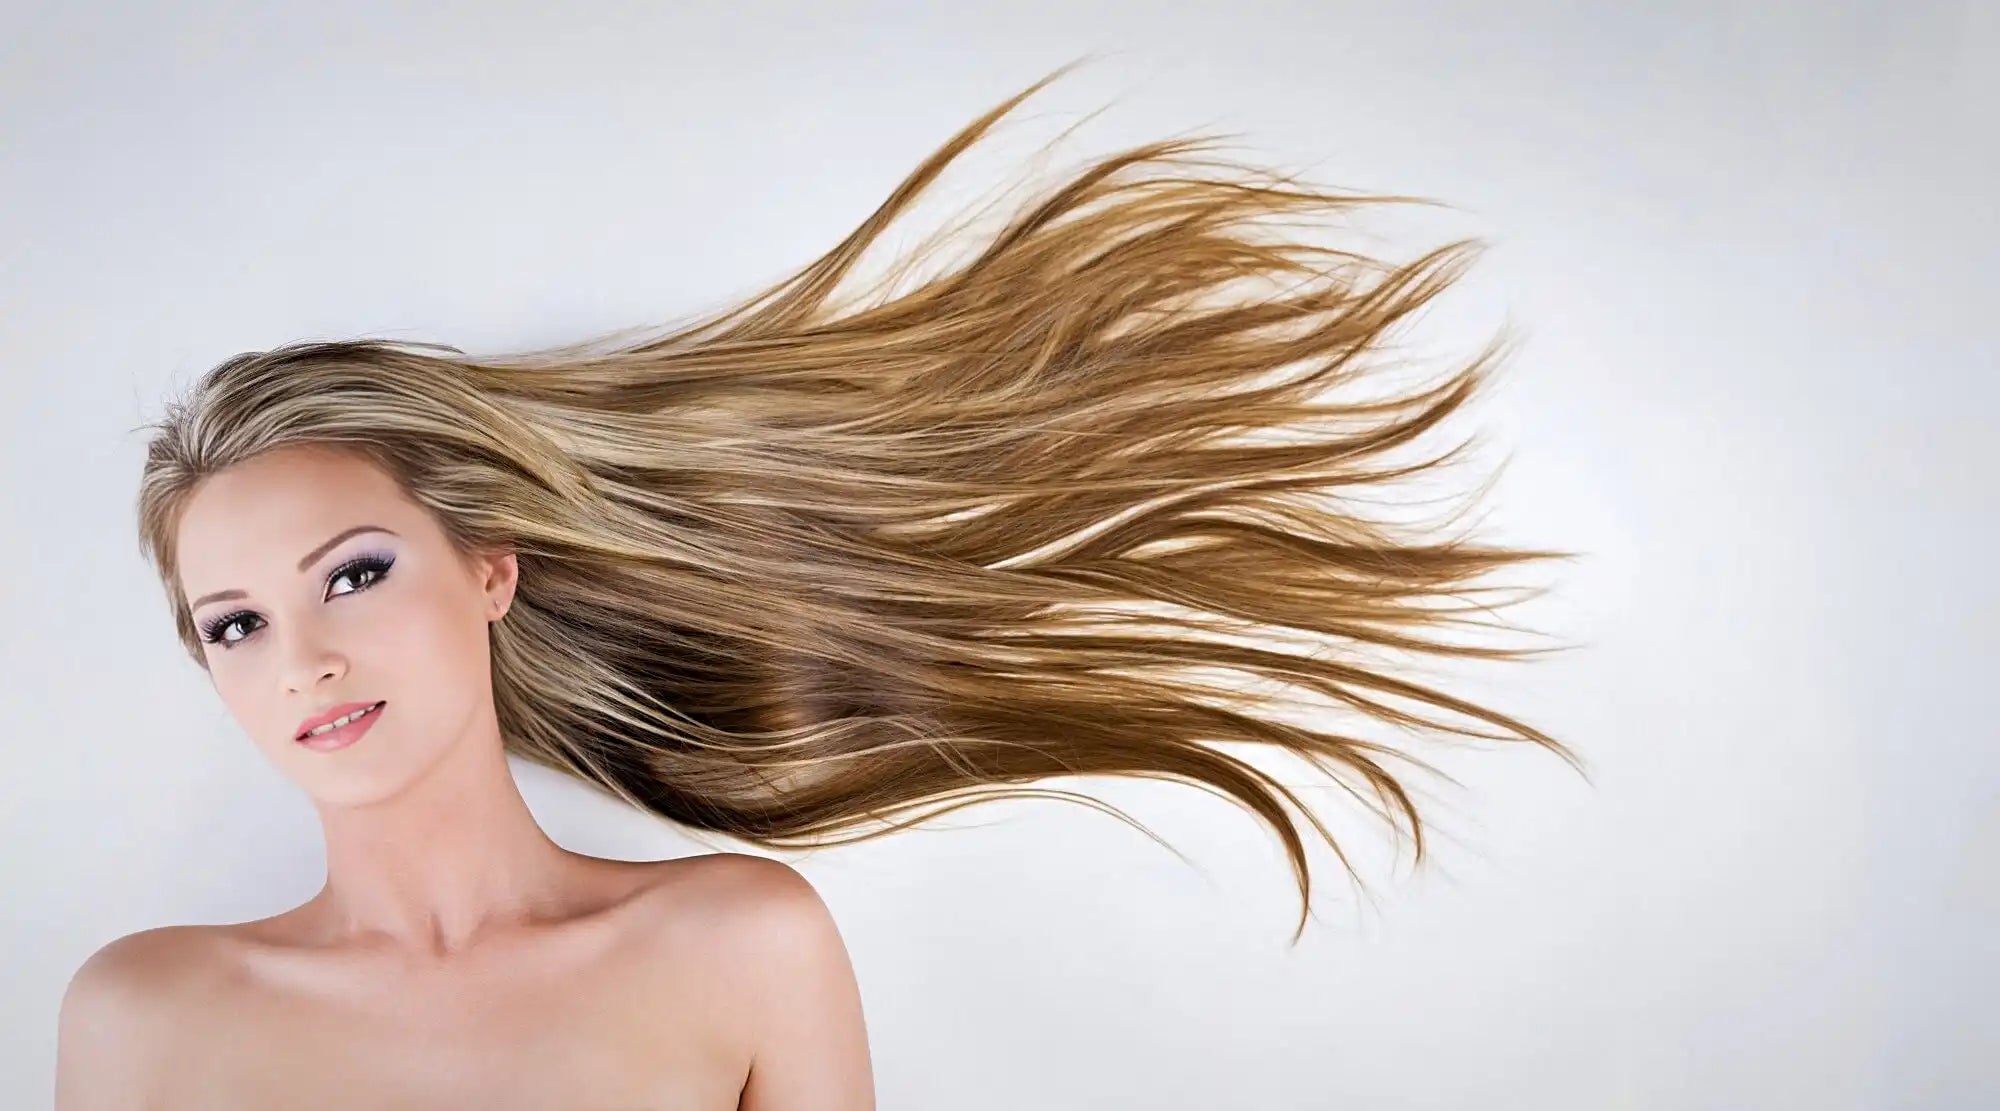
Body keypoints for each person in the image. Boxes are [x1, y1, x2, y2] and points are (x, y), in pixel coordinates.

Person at [54, 61, 1582, 1108]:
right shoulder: (143, 1015)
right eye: (234, 625)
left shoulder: (738, 941)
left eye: (356, 574)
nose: (301, 659)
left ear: (494, 570)